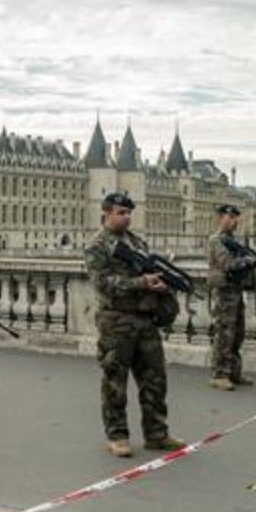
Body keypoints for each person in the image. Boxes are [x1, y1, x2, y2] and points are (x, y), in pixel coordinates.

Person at [84, 192, 185, 458]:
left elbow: (147, 271)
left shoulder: (136, 241)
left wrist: (159, 283)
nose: (126, 217)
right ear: (105, 213)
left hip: (144, 319)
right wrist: (141, 283)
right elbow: (103, 282)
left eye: (129, 213)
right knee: (115, 380)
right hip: (116, 320)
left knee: (155, 379)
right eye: (121, 213)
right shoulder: (97, 244)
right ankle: (117, 435)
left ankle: (157, 433)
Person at [206, 203, 256, 391]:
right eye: (230, 218)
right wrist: (247, 261)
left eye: (235, 218)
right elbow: (227, 264)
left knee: (237, 333)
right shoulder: (216, 241)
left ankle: (233, 371)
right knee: (224, 333)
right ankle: (219, 374)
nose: (234, 221)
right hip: (224, 292)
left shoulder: (232, 241)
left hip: (234, 291)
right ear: (220, 218)